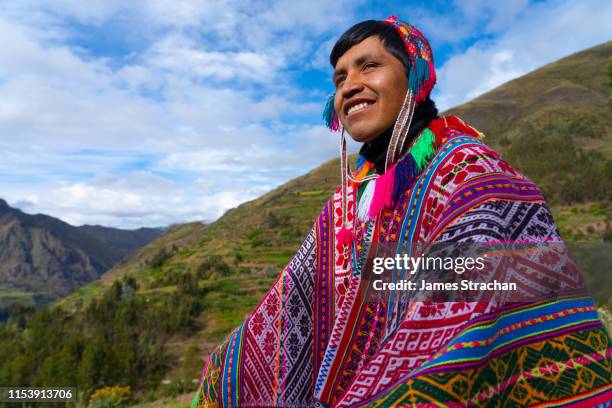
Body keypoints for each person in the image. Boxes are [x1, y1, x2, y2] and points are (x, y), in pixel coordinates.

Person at [193, 16, 611, 407]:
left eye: (368, 66)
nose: (349, 86)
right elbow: (294, 303)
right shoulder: (348, 201)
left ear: (414, 76)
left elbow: (471, 306)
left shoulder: (470, 173)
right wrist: (228, 371)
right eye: (340, 79)